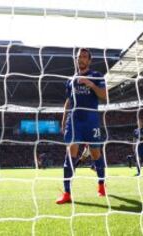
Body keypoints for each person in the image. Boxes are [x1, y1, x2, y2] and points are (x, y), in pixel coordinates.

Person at [56, 48, 107, 204]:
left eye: (85, 57)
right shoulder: (70, 80)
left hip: (91, 119)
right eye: (79, 57)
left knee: (95, 154)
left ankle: (101, 184)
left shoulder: (97, 76)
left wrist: (90, 84)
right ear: (76, 60)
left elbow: (104, 96)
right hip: (75, 120)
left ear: (89, 60)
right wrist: (64, 120)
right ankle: (67, 193)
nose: (82, 59)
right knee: (70, 154)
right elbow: (68, 101)